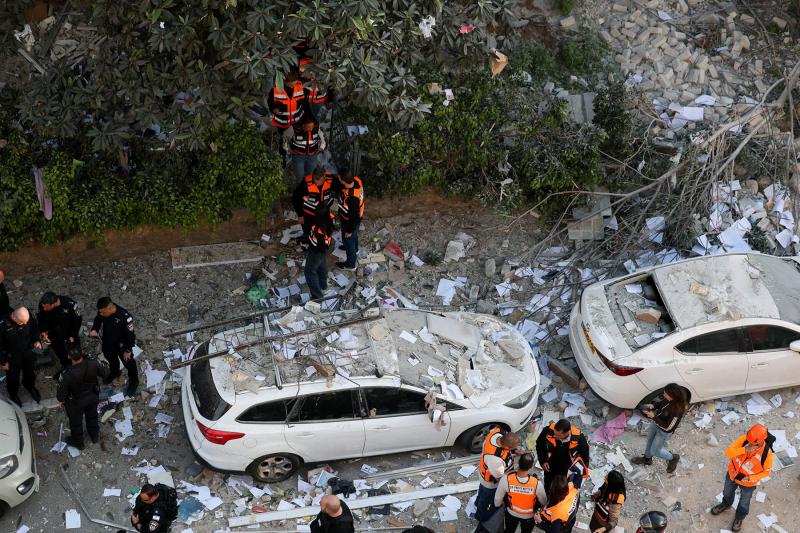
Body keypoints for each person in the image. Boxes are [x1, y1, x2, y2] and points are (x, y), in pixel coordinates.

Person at [710, 423, 775, 532]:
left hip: (748, 483)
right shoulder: (745, 439)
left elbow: (766, 473)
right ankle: (725, 504)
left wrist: (750, 478)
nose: (749, 443)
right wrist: (744, 450)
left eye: (752, 443)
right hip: (732, 474)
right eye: (748, 440)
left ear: (760, 442)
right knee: (727, 492)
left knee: (744, 501)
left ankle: (739, 518)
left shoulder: (766, 454)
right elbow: (728, 452)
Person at [56, 347, 109, 449]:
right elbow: (105, 373)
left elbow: (60, 396)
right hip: (92, 397)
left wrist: (62, 400)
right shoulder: (93, 363)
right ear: (82, 354)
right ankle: (94, 436)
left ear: (69, 357)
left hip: (75, 403)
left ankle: (79, 443)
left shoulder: (66, 374)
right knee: (92, 417)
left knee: (76, 423)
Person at [631, 384, 687, 473]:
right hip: (655, 423)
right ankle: (647, 459)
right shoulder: (668, 399)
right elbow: (661, 404)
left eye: (665, 394)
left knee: (655, 451)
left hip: (663, 432)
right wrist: (653, 405)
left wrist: (653, 417)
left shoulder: (677, 410)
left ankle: (673, 458)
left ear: (672, 396)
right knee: (649, 442)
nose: (664, 395)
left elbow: (668, 427)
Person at [90, 297, 138, 397]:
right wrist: (95, 328)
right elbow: (98, 319)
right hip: (108, 340)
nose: (101, 314)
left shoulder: (124, 316)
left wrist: (128, 350)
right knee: (110, 358)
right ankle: (115, 372)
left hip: (122, 343)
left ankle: (134, 381)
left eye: (103, 313)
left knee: (129, 362)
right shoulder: (103, 311)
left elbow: (131, 335)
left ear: (110, 309)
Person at [475, 428, 522, 522]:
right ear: (506, 447)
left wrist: (515, 451)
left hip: (484, 472)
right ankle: (480, 516)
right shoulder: (495, 459)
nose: (514, 450)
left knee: (482, 493)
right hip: (490, 483)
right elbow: (499, 478)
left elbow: (507, 444)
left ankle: (477, 503)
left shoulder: (497, 432)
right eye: (512, 448)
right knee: (486, 499)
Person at [0, 307, 42, 406]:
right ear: (14, 317)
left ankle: (29, 386)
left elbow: (34, 327)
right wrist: (2, 362)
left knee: (30, 372)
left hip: (28, 351)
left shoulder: (26, 316)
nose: (24, 324)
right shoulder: (2, 325)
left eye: (25, 322)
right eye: (21, 322)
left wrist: (36, 340)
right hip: (12, 356)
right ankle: (13, 394)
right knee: (13, 377)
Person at [494, 453, 546, 533]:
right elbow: (543, 501)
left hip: (511, 513)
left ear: (518, 463)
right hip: (529, 516)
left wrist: (498, 505)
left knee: (509, 530)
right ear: (532, 466)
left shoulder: (506, 479)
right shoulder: (536, 483)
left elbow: (498, 499)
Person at [535, 419, 590, 492]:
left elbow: (585, 456)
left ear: (566, 433)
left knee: (561, 489)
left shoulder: (579, 439)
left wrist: (579, 475)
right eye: (554, 433)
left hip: (566, 469)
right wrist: (543, 461)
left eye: (558, 435)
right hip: (550, 465)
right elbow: (539, 445)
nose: (554, 436)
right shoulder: (548, 431)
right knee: (548, 485)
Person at [38, 291, 82, 378]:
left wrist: (73, 335)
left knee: (74, 352)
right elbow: (41, 319)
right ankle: (66, 366)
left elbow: (78, 321)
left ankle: (79, 368)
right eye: (43, 307)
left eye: (46, 308)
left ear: (53, 304)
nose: (44, 309)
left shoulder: (70, 305)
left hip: (69, 335)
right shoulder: (43, 305)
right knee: (60, 353)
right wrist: (43, 332)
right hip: (53, 335)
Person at [333, 170, 364, 271]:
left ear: (343, 181)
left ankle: (350, 264)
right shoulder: (356, 180)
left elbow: (354, 217)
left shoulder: (351, 198)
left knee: (348, 239)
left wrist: (349, 231)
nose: (338, 178)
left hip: (349, 222)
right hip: (357, 218)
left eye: (339, 178)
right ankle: (355, 250)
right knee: (353, 237)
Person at [293, 166, 334, 242]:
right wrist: (300, 214)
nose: (317, 184)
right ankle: (308, 241)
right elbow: (296, 198)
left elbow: (342, 185)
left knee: (325, 231)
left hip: (324, 213)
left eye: (320, 181)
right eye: (315, 181)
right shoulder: (305, 183)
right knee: (308, 233)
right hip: (309, 215)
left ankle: (324, 243)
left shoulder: (331, 179)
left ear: (324, 176)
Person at [305, 211, 334, 299]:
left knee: (310, 272)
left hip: (315, 252)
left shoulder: (318, 231)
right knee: (321, 266)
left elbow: (319, 245)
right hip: (322, 251)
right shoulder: (328, 223)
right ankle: (323, 285)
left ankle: (317, 297)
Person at [289, 115, 324, 181]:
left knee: (310, 176)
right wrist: (287, 148)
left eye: (312, 126)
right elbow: (285, 138)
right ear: (303, 125)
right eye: (308, 127)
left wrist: (321, 147)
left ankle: (308, 189)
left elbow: (323, 139)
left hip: (312, 157)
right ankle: (300, 189)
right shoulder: (294, 128)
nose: (311, 129)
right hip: (298, 157)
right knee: (300, 177)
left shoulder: (316, 128)